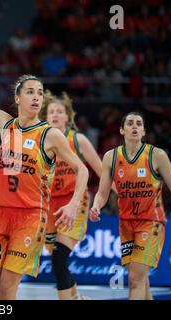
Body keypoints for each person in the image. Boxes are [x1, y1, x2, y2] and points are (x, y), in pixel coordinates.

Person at [0, 22, 89, 300]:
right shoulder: (5, 124)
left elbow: (82, 169)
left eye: (40, 92)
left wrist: (75, 203)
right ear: (17, 98)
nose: (37, 97)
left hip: (29, 217)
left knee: (7, 288)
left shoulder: (50, 135)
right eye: (30, 91)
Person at [89, 112, 171, 300]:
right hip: (126, 224)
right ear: (122, 129)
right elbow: (103, 192)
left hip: (151, 221)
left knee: (135, 279)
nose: (135, 126)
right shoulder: (110, 157)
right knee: (140, 278)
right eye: (130, 123)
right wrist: (96, 206)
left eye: (139, 124)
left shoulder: (157, 155)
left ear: (144, 131)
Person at [39, 91, 103, 300]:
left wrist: (113, 198)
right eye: (51, 112)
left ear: (67, 116)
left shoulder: (78, 140)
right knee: (57, 262)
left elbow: (103, 172)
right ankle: (76, 297)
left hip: (75, 202)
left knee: (59, 258)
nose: (56, 115)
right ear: (46, 117)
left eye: (60, 111)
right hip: (50, 207)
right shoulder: (41, 141)